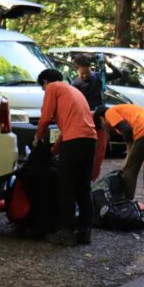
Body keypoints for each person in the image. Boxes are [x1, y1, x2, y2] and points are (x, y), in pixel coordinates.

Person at [35, 68, 98, 246]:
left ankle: (66, 232)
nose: (44, 91)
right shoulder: (73, 91)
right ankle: (85, 231)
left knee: (65, 187)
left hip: (74, 141)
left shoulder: (53, 88)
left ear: (45, 82)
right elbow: (70, 125)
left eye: (43, 87)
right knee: (83, 187)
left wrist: (37, 138)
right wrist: (56, 149)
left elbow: (45, 117)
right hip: (89, 140)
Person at [94, 103, 144, 224]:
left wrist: (129, 154)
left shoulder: (109, 112)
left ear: (102, 118)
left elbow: (127, 130)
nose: (105, 128)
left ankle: (127, 212)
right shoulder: (123, 109)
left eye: (102, 125)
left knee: (129, 172)